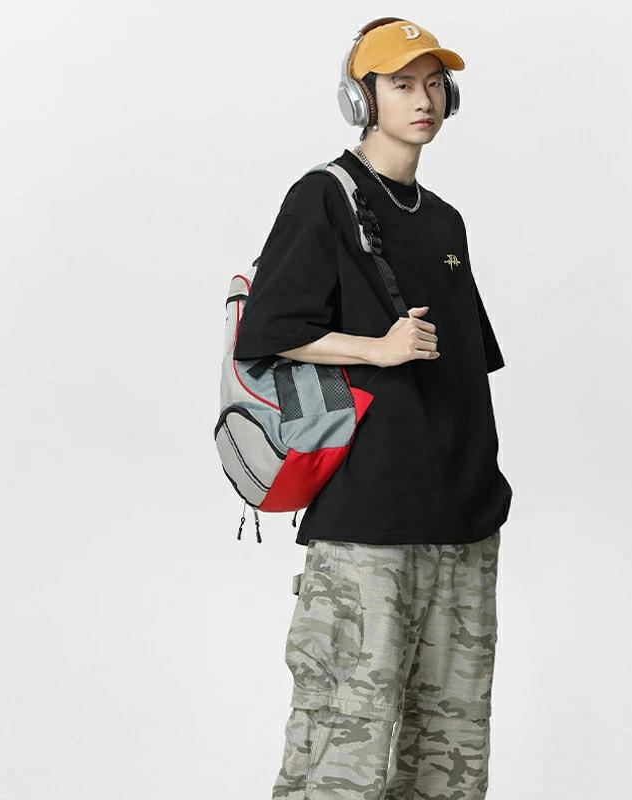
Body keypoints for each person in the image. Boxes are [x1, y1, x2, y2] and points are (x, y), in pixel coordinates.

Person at [235, 16, 513, 800]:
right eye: (400, 84)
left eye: (433, 84)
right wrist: (376, 348)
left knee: (450, 756)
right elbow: (267, 332)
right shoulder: (323, 197)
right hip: (368, 527)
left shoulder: (445, 220)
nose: (422, 100)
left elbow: (467, 368)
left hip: (463, 523)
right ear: (361, 98)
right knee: (341, 753)